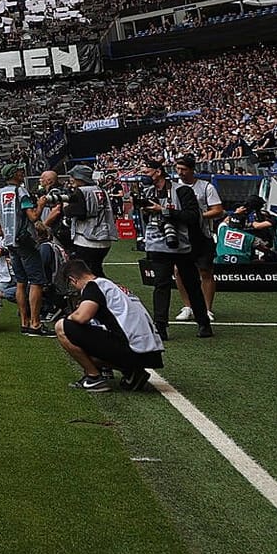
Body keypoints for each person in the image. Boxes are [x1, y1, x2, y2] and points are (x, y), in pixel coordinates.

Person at [54, 259, 164, 392]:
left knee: (62, 327)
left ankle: (94, 378)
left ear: (73, 280)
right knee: (91, 334)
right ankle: (133, 373)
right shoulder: (111, 285)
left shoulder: (93, 286)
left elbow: (82, 317)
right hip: (151, 352)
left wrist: (70, 316)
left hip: (133, 349)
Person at [139, 159, 214, 338]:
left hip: (183, 245)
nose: (144, 176)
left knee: (192, 285)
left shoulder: (182, 191)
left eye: (147, 172)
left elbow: (192, 216)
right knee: (161, 284)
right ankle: (161, 327)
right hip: (157, 243)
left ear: (158, 172)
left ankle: (203, 323)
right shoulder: (148, 192)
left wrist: (163, 210)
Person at [169, 154, 224, 325]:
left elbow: (218, 210)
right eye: (178, 169)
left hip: (202, 235)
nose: (180, 172)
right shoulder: (173, 187)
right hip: (181, 235)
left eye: (184, 169)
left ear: (192, 170)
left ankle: (207, 309)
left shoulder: (206, 187)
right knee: (179, 271)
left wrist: (195, 216)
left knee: (205, 271)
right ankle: (187, 307)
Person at [0, 165, 47, 336]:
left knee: (20, 281)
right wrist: (40, 205)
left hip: (9, 240)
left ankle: (24, 322)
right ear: (14, 174)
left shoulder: (1, 192)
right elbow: (33, 216)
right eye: (19, 171)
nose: (22, 173)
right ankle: (35, 324)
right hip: (24, 240)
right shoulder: (21, 191)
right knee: (36, 281)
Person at [58, 165, 113, 277]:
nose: (71, 179)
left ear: (80, 177)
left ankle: (96, 293)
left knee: (85, 274)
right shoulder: (101, 190)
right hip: (104, 238)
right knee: (97, 270)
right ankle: (105, 292)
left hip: (87, 238)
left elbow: (79, 213)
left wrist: (65, 207)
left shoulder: (82, 191)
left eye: (73, 176)